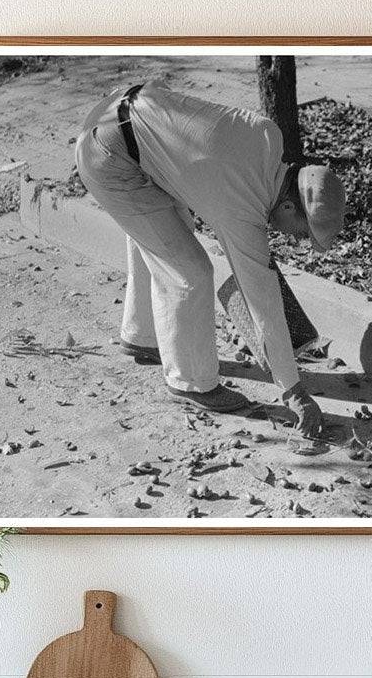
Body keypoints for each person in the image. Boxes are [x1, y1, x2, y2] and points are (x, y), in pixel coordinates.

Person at [74, 81, 346, 437]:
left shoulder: (268, 136)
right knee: (189, 270)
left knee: (166, 233)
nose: (295, 238)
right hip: (106, 157)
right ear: (290, 205)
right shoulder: (243, 208)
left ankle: (141, 336)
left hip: (120, 111)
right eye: (301, 231)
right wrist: (293, 391)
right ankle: (190, 384)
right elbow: (261, 301)